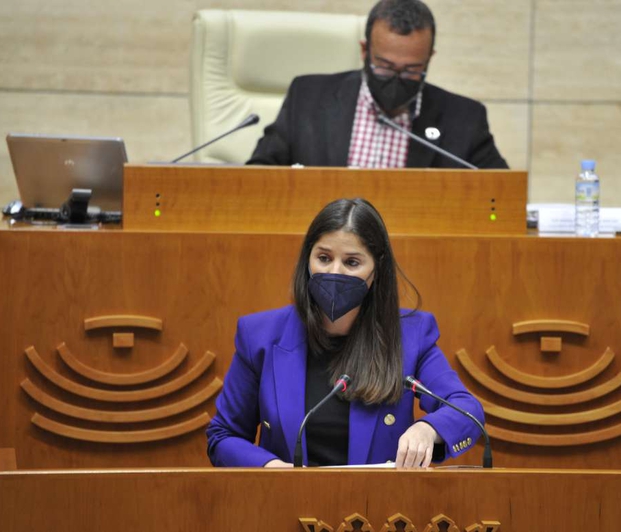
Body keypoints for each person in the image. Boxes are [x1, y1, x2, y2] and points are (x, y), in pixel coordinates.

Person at [206, 198, 484, 468]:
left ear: (377, 268)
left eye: (352, 263)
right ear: (308, 259)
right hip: (287, 504)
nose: (334, 272)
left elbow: (467, 410)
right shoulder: (261, 336)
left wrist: (427, 429)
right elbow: (223, 436)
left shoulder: (411, 336)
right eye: (324, 258)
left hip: (376, 508)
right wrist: (269, 467)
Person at [247, 0, 508, 169]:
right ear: (364, 51)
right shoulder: (308, 99)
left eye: (411, 70)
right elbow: (258, 173)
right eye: (384, 66)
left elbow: (499, 193)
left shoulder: (464, 119)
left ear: (429, 59)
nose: (395, 79)